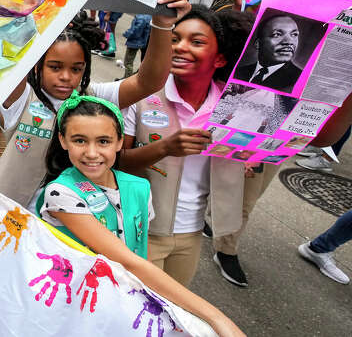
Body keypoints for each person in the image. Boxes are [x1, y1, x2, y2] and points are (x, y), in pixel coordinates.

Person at [35, 93, 244, 337]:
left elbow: (138, 246)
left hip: (124, 304)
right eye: (80, 140)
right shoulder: (60, 193)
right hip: (75, 304)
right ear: (62, 140)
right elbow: (128, 260)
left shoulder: (140, 187)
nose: (92, 153)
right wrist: (216, 317)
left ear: (120, 141)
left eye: (103, 141)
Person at [0, 0, 191, 205]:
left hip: (69, 220)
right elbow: (11, 53)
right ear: (37, 66)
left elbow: (149, 82)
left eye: (76, 69)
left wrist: (163, 24)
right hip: (5, 215)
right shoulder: (22, 98)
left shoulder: (94, 97)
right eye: (55, 67)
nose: (66, 77)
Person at [118, 7, 249, 287]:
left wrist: (248, 160)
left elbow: (249, 155)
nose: (180, 47)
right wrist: (165, 148)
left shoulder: (233, 106)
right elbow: (117, 163)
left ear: (220, 58)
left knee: (172, 313)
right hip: (141, 228)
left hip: (191, 233)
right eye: (175, 39)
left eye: (197, 42)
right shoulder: (143, 95)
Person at [232, 13, 302, 93]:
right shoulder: (238, 71)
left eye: (294, 34)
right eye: (277, 34)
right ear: (258, 43)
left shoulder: (300, 79)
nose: (289, 42)